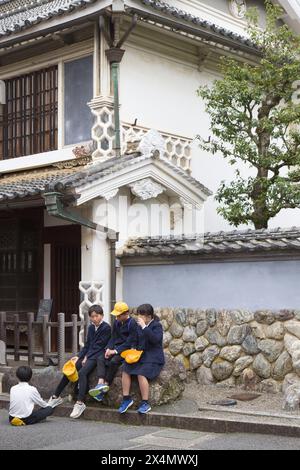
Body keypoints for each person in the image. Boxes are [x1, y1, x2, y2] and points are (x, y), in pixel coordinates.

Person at [48, 304, 111, 419]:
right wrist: (79, 356)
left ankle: (80, 403)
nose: (94, 319)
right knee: (71, 369)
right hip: (89, 354)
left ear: (102, 315)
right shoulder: (92, 327)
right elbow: (88, 345)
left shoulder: (106, 328)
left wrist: (86, 357)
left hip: (97, 355)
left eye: (96, 316)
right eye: (92, 317)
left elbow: (99, 346)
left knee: (82, 373)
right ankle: (55, 396)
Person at [118, 303, 165, 414]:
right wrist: (133, 348)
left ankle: (145, 402)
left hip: (154, 357)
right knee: (126, 368)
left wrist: (144, 327)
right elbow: (135, 339)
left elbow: (155, 340)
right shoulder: (138, 325)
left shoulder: (156, 326)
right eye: (139, 314)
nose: (139, 317)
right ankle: (126, 399)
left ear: (149, 316)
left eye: (142, 315)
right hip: (140, 354)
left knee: (141, 373)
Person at [88, 301, 138, 402]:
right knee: (101, 357)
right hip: (115, 347)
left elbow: (130, 342)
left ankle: (106, 384)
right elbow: (113, 337)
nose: (116, 318)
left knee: (114, 361)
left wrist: (115, 351)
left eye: (118, 315)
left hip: (127, 350)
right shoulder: (116, 322)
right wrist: (108, 349)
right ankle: (100, 383)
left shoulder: (132, 323)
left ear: (126, 314)